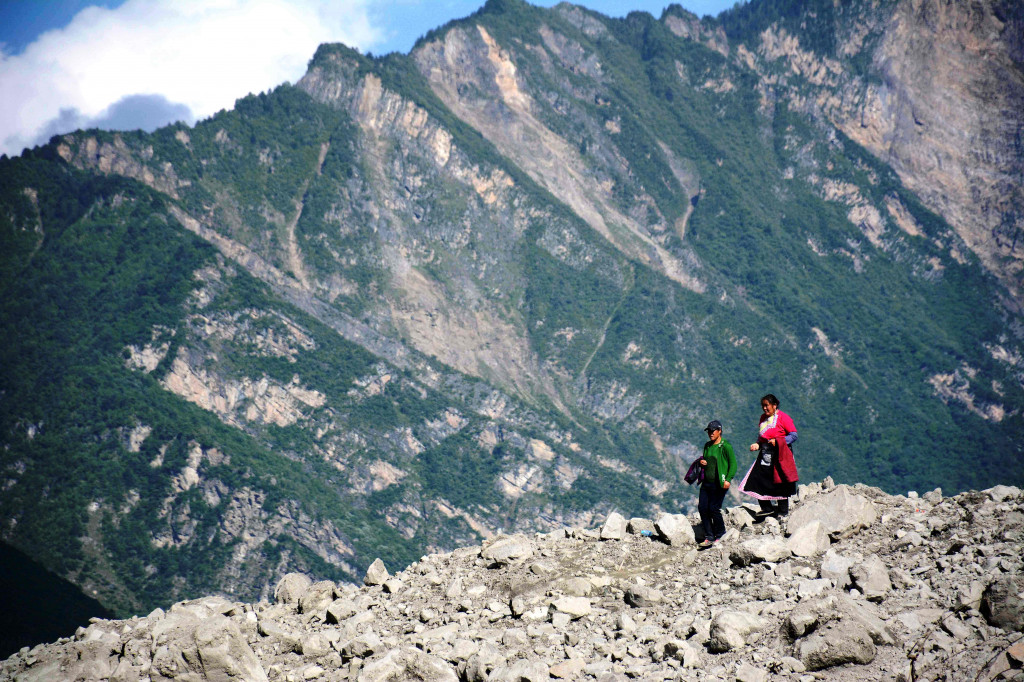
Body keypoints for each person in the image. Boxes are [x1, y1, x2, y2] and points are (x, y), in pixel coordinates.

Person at [737, 394, 799, 517]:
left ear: (774, 405)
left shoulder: (783, 418)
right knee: (757, 479)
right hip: (765, 454)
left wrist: (779, 441)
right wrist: (757, 444)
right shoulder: (763, 418)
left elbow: (794, 435)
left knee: (780, 481)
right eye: (763, 406)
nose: (764, 408)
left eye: (767, 405)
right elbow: (762, 436)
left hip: (780, 455)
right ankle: (767, 508)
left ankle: (783, 513)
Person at [697, 420, 736, 548]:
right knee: (703, 508)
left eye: (713, 431)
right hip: (706, 482)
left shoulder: (726, 446)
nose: (710, 433)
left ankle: (720, 534)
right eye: (709, 431)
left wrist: (728, 479)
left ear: (719, 431)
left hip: (719, 483)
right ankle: (709, 536)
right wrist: (702, 462)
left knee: (714, 508)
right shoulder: (707, 445)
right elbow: (706, 459)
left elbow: (733, 464)